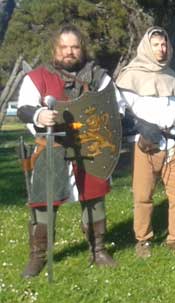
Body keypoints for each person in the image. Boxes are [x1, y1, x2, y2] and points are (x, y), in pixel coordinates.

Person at [17, 25, 119, 277]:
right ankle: (38, 256)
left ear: (82, 48)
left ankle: (98, 250)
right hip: (52, 147)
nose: (69, 52)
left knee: (94, 201)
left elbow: (115, 106)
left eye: (74, 47)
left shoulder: (98, 76)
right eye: (64, 47)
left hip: (91, 147)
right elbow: (23, 108)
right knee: (43, 203)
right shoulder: (38, 77)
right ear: (55, 49)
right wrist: (40, 114)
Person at [116, 26, 175, 257]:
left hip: (171, 144)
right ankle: (143, 240)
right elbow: (121, 112)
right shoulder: (131, 75)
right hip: (145, 145)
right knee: (143, 196)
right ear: (147, 47)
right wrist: (141, 126)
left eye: (164, 44)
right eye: (156, 45)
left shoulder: (171, 75)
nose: (161, 49)